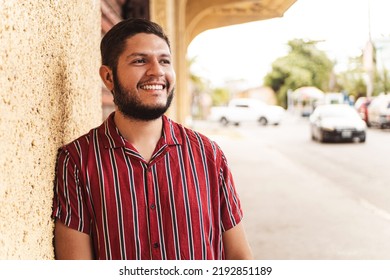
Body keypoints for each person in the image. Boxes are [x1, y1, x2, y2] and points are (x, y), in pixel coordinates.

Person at [52, 18, 253, 260]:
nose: (157, 71)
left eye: (165, 61)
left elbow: (240, 258)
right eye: (140, 60)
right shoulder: (77, 160)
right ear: (108, 77)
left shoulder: (208, 154)